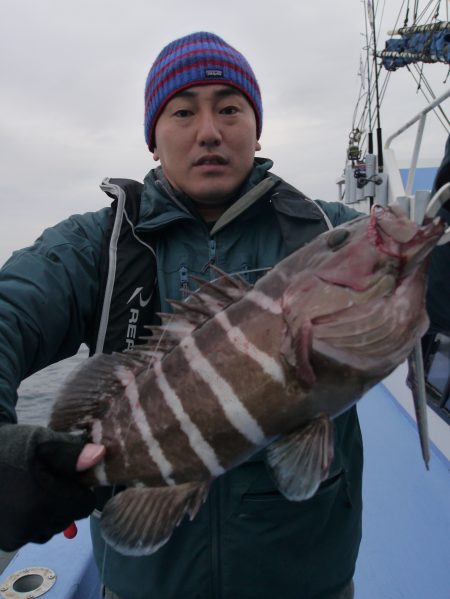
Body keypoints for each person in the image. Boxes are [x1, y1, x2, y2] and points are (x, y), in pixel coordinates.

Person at [0, 32, 363, 599]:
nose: (209, 130)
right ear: (153, 137)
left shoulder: (329, 237)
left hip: (305, 580)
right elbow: (9, 308)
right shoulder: (100, 246)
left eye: (229, 107)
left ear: (257, 126)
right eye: (183, 110)